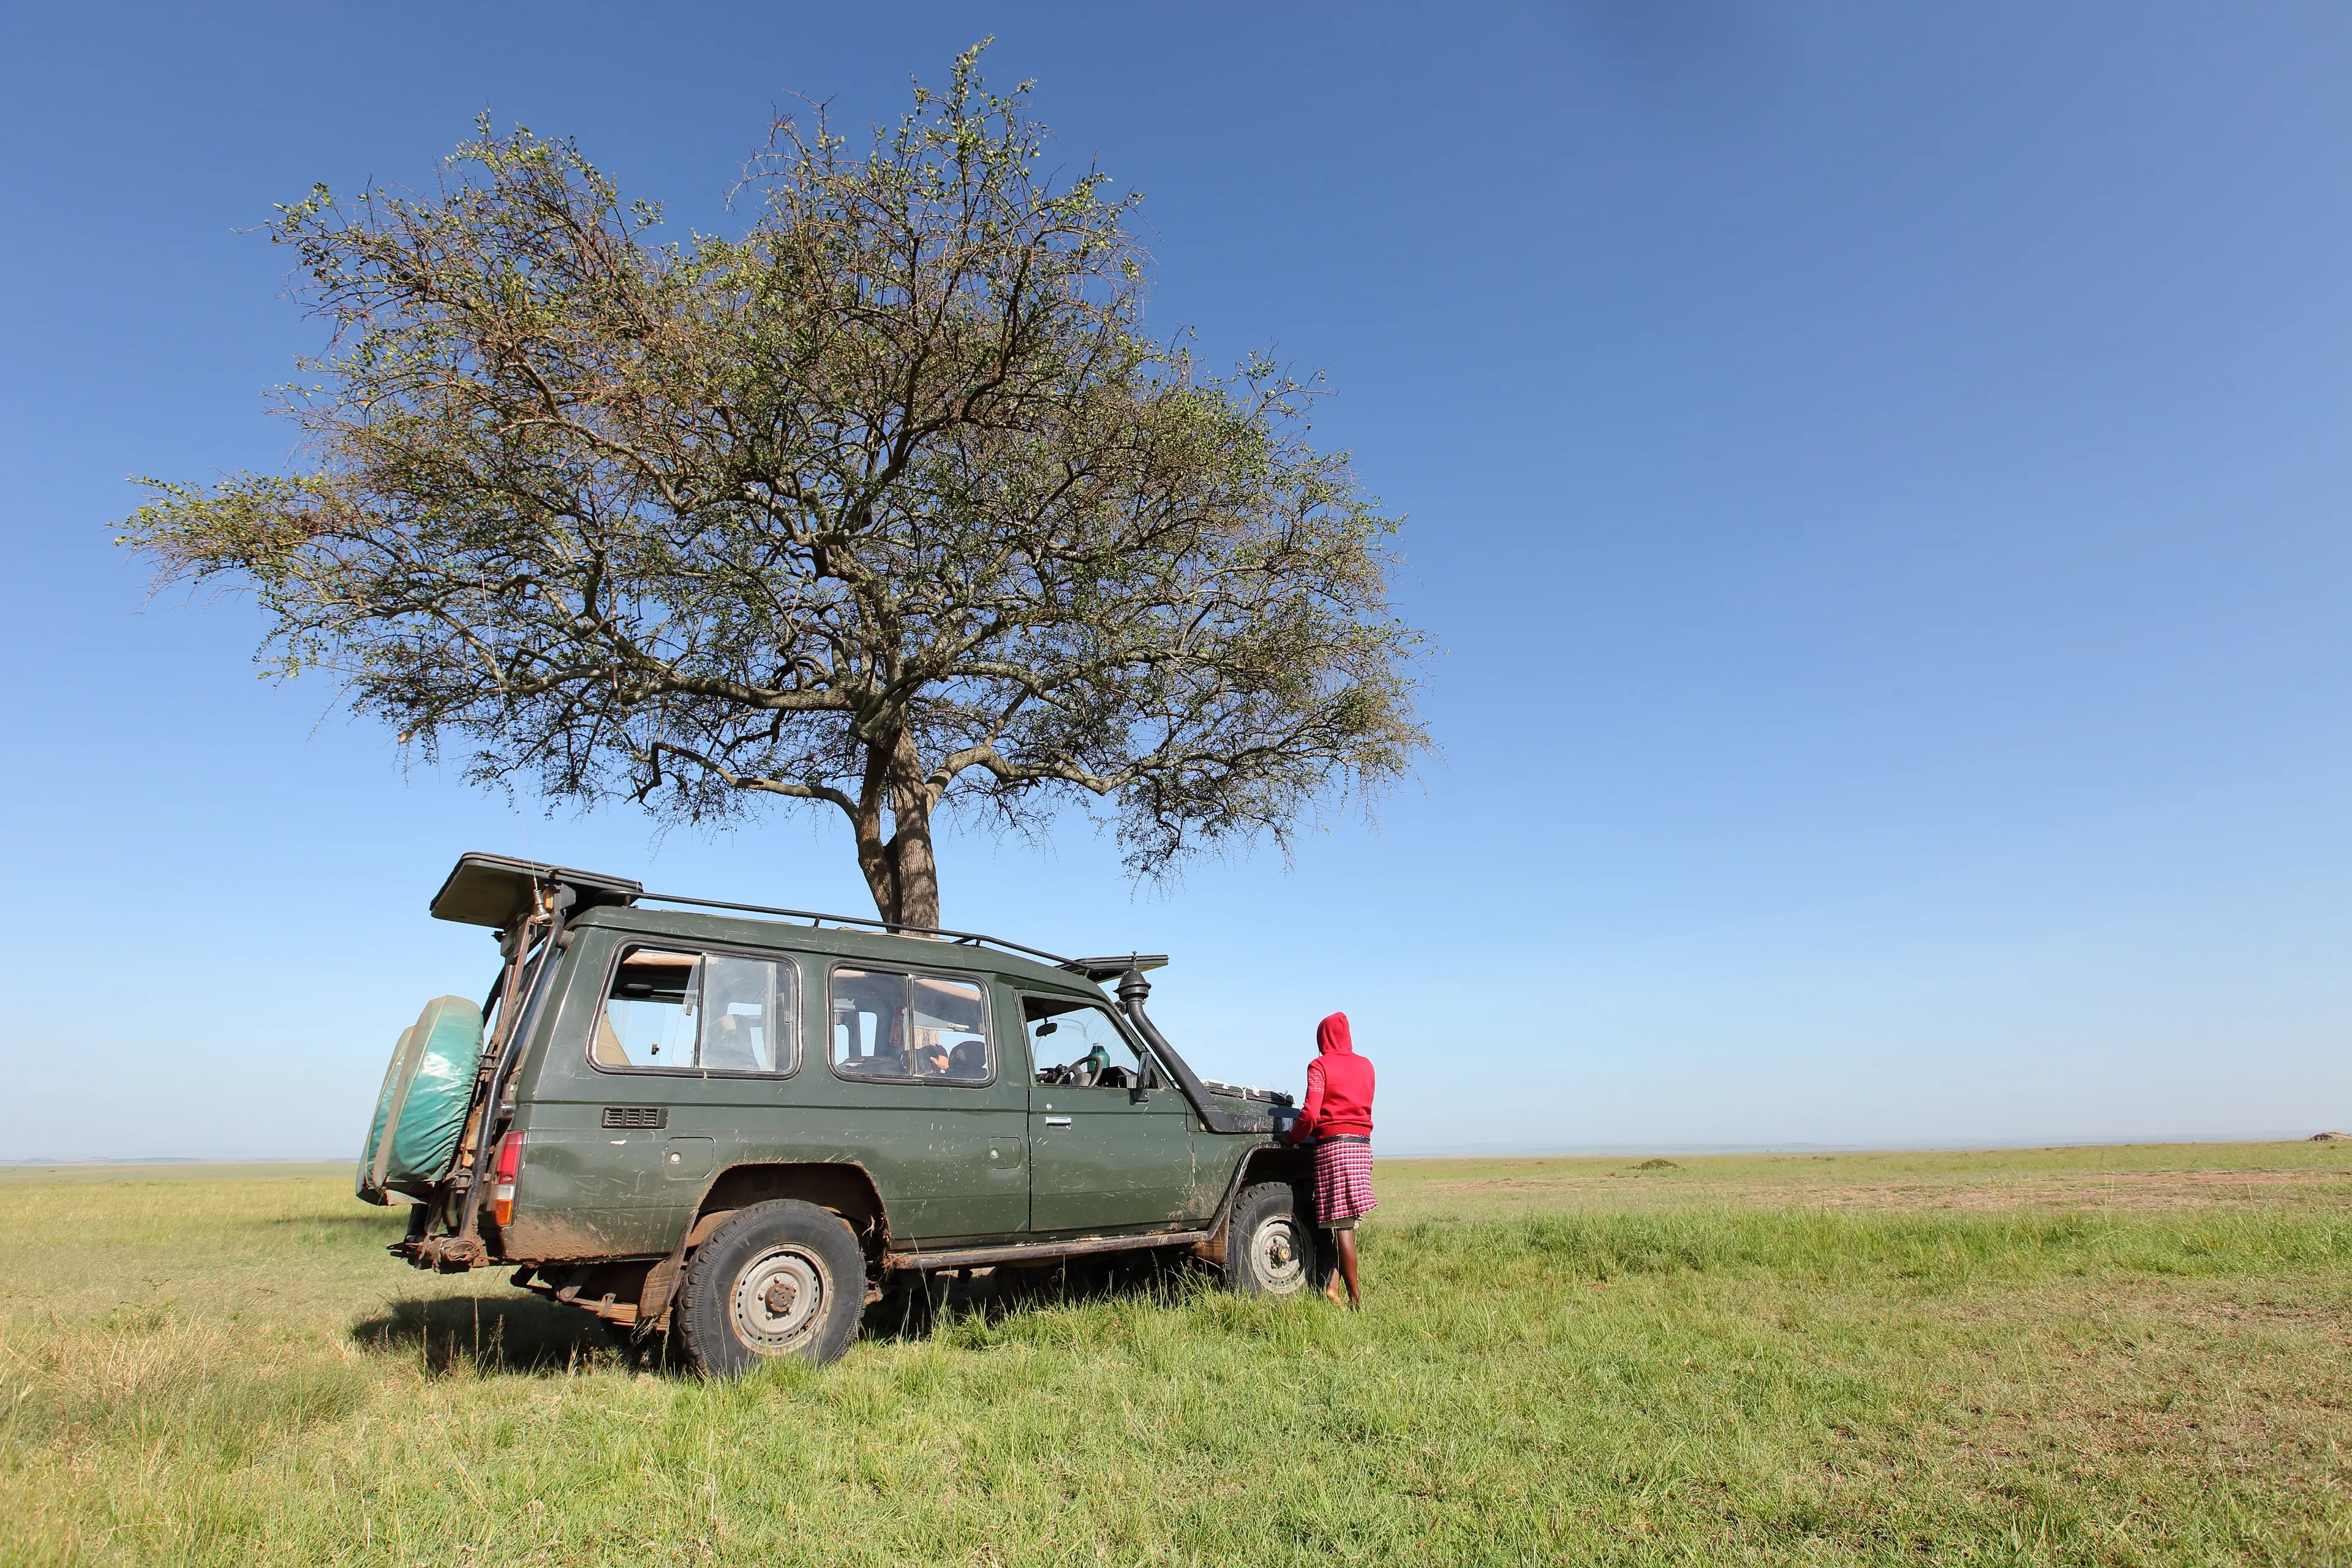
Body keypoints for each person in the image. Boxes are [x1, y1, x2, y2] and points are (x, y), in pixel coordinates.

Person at [1287, 1011, 1375, 1308]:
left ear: (1322, 1037)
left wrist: (1292, 1139)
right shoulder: (1367, 1066)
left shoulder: (1319, 1065)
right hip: (1362, 1147)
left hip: (1334, 1148)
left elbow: (1311, 1113)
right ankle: (1333, 1288)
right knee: (1347, 1220)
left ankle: (1356, 1299)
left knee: (1342, 1226)